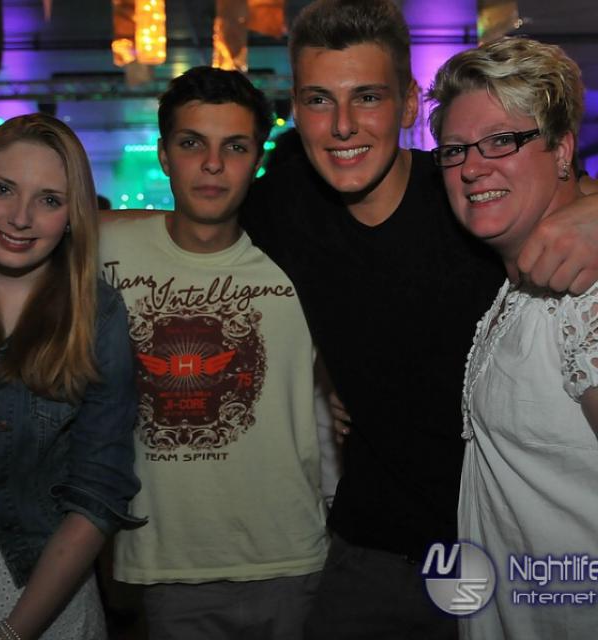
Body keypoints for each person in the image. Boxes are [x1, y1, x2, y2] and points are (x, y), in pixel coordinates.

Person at [238, 0, 598, 637]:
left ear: (407, 104)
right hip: (375, 550)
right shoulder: (285, 205)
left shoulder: (471, 193)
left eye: (367, 97)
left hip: (521, 559)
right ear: (296, 108)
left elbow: (557, 185)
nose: (342, 126)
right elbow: (180, 227)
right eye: (319, 100)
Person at [102, 66, 327, 640]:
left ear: (257, 159)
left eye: (235, 146)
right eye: (191, 143)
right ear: (163, 155)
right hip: (167, 567)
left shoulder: (302, 254)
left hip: (292, 558)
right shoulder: (104, 249)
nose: (211, 164)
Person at [427, 36, 598, 639]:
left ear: (561, 151)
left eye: (502, 140)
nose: (472, 167)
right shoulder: (521, 282)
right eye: (454, 149)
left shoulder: (585, 298)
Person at [0, 114, 142, 639]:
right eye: (3, 189)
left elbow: (97, 494)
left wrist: (13, 634)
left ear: (71, 217)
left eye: (49, 200)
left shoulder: (96, 316)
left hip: (37, 601)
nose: (20, 218)